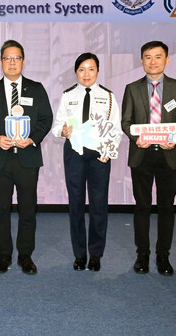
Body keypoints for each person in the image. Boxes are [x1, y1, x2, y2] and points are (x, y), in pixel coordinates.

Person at [0, 40, 53, 274]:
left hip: (28, 159)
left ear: (23, 61)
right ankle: (4, 255)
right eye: (7, 58)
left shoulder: (36, 89)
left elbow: (46, 120)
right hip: (0, 160)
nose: (12, 62)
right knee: (1, 210)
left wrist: (33, 138)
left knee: (28, 210)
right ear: (1, 62)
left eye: (16, 58)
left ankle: (25, 256)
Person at [121, 41, 176, 276]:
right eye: (147, 57)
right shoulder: (132, 88)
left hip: (169, 155)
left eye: (158, 57)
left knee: (166, 208)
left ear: (167, 60)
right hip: (141, 154)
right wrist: (135, 137)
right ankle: (142, 254)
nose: (152, 61)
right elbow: (126, 122)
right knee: (142, 207)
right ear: (141, 61)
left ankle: (164, 256)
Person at [52, 52, 122, 272]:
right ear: (76, 72)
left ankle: (96, 254)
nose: (86, 74)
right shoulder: (67, 96)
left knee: (99, 204)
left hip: (100, 155)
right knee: (76, 204)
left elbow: (116, 130)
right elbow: (56, 128)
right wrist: (62, 131)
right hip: (74, 153)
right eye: (81, 69)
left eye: (91, 69)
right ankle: (79, 254)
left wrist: (109, 149)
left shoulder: (109, 97)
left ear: (98, 71)